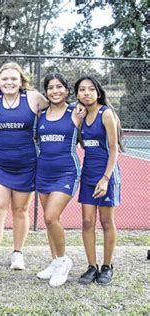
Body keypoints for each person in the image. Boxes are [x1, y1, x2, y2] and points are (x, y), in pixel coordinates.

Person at [0, 62, 50, 276]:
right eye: (4, 79)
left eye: (14, 78)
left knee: (20, 210)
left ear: (21, 81)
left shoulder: (34, 98)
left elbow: (57, 108)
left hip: (26, 164)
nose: (9, 82)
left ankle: (17, 253)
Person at [35, 73, 82, 287]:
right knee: (47, 219)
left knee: (52, 216)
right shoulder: (40, 115)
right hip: (43, 171)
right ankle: (54, 261)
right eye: (51, 88)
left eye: (59, 87)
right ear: (45, 92)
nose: (55, 91)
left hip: (66, 172)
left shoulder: (76, 113)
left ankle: (63, 262)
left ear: (67, 90)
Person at [75, 75, 123, 286]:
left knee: (105, 222)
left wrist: (105, 178)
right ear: (77, 94)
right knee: (87, 222)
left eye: (90, 89)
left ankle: (107, 266)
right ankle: (91, 266)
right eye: (82, 90)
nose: (86, 93)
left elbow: (114, 150)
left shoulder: (106, 114)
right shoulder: (81, 115)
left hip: (106, 175)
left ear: (98, 92)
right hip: (88, 174)